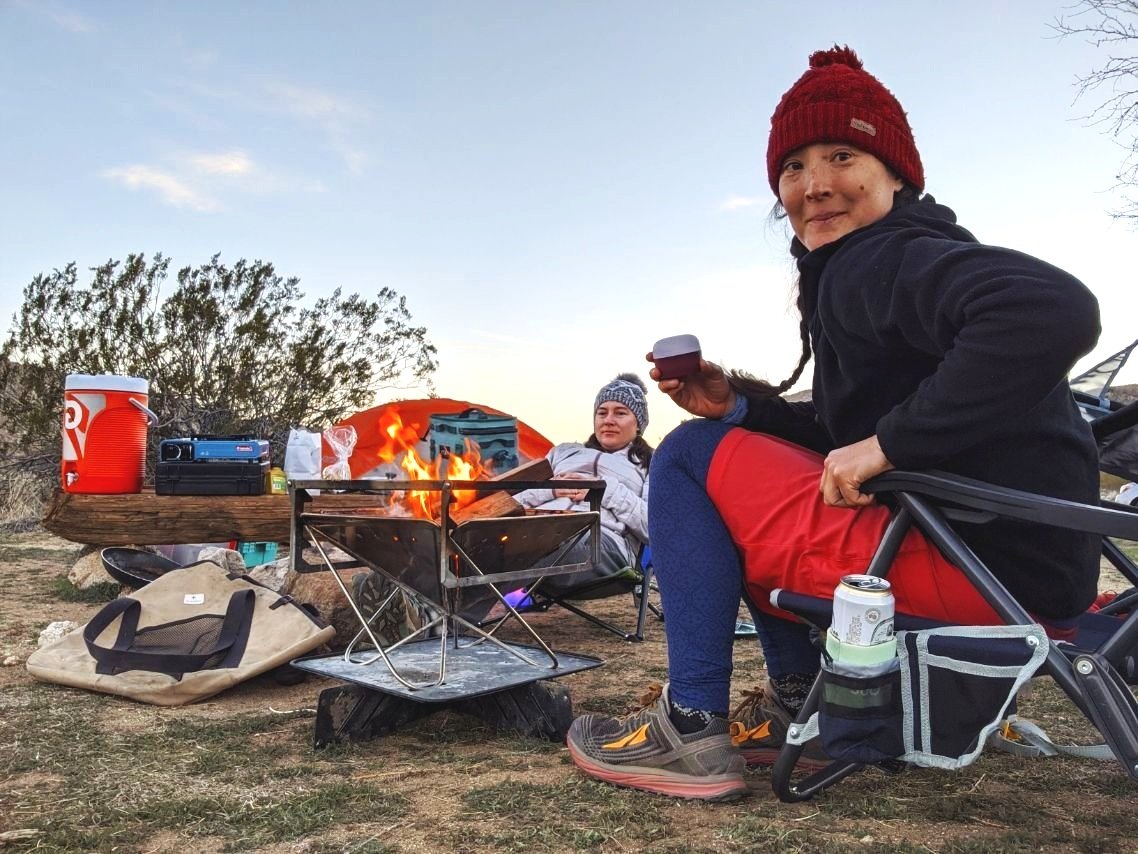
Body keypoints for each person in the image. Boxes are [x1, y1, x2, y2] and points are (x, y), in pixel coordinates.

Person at [565, 46, 1102, 802]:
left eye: (842, 155)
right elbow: (845, 429)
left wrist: (891, 445)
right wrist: (744, 408)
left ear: (895, 174)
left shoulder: (881, 260)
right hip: (1025, 569)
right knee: (735, 455)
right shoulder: (889, 262)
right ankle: (798, 706)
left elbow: (1053, 309)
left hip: (978, 575)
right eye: (792, 168)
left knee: (688, 459)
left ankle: (689, 724)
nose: (813, 185)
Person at [506, 373, 652, 600]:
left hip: (602, 543)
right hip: (537, 527)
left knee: (537, 543)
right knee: (483, 539)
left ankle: (452, 614)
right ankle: (447, 615)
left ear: (639, 423)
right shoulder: (563, 452)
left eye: (620, 413)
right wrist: (552, 489)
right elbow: (510, 503)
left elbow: (653, 528)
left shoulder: (650, 465)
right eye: (602, 413)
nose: (608, 420)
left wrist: (603, 489)